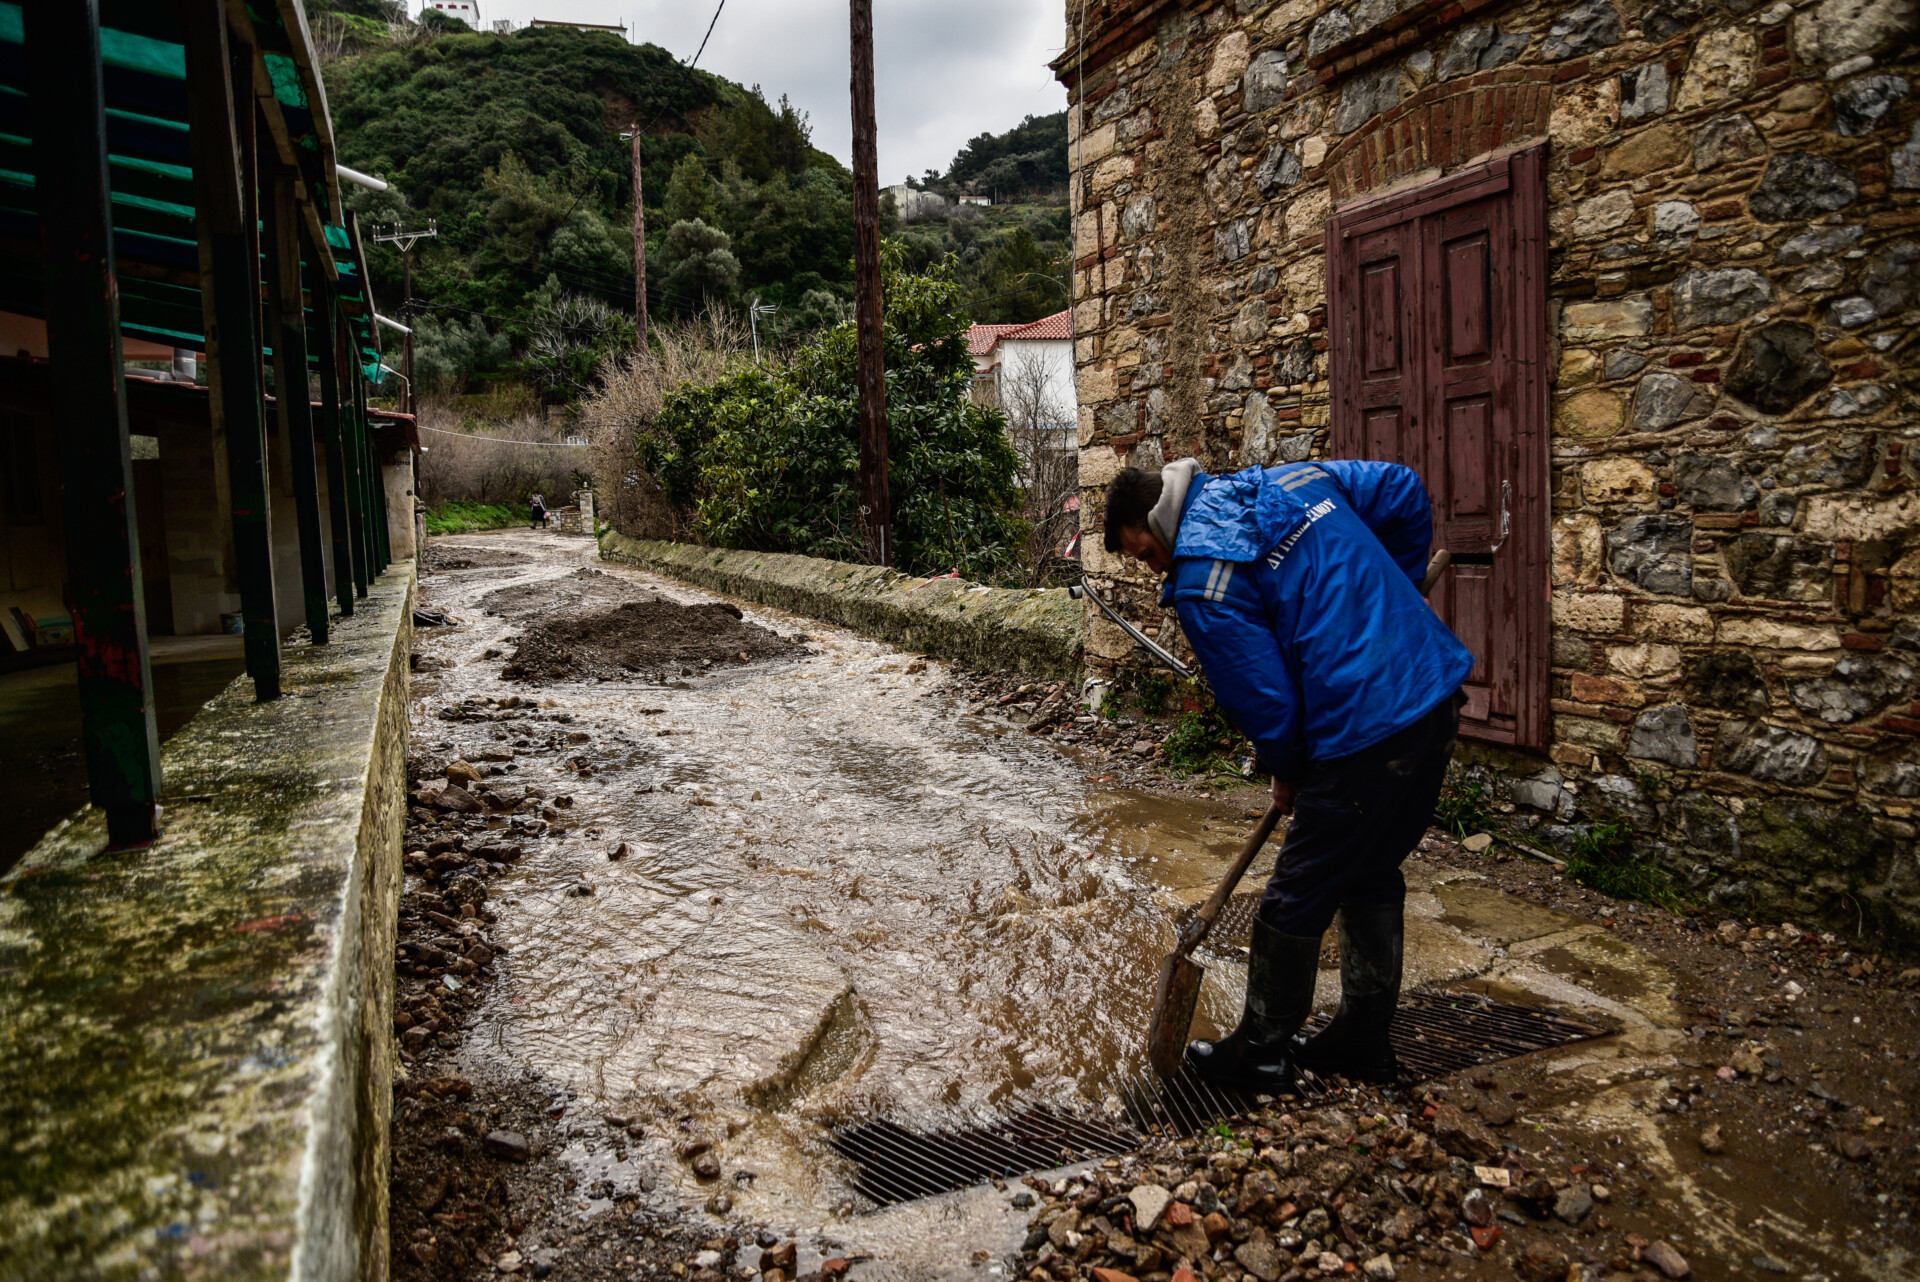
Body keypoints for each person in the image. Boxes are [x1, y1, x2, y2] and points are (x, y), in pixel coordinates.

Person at [1105, 458, 1474, 1091]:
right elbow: (1406, 489)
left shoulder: (1203, 581)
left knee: (1295, 893)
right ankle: (1362, 1041)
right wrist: (1400, 587)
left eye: (1142, 554)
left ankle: (1261, 1055)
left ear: (1153, 522)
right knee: (1369, 871)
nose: (1151, 568)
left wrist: (1287, 772)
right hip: (1431, 696)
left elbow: (1268, 703)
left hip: (1364, 727)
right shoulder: (1290, 479)